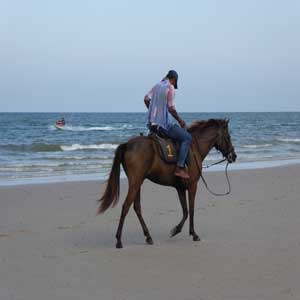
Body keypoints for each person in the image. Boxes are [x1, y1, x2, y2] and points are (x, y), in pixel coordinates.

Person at [144, 70, 192, 179]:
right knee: (187, 138)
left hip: (152, 125)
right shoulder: (169, 87)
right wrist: (180, 120)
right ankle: (179, 168)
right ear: (174, 80)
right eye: (175, 83)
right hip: (164, 126)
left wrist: (153, 113)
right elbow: (171, 108)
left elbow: (146, 99)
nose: (174, 86)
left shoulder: (156, 86)